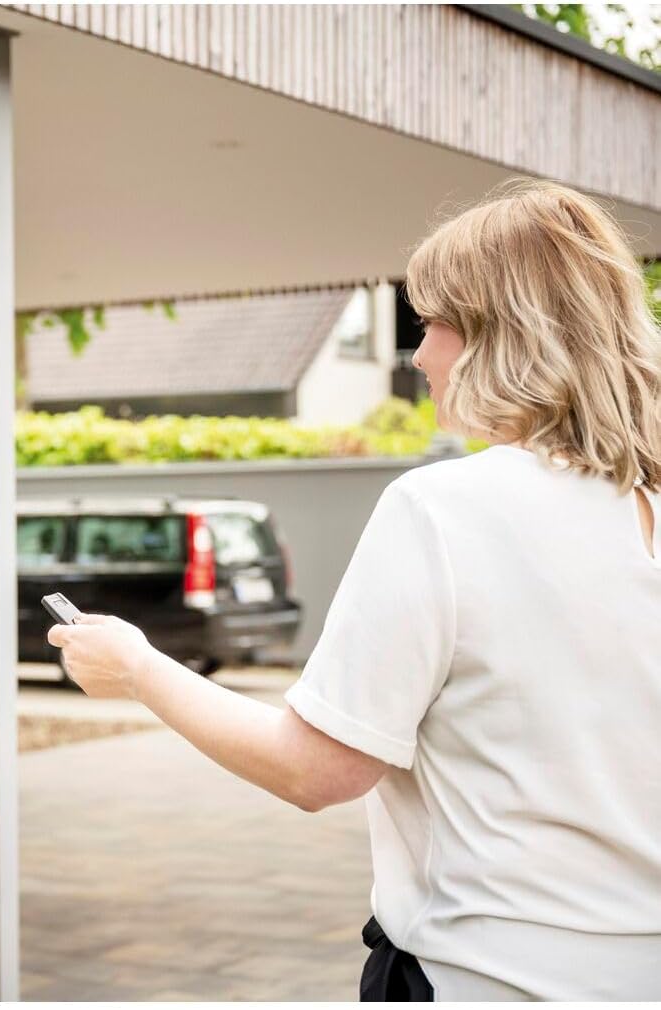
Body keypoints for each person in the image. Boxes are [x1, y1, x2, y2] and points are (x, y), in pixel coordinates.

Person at [48, 179, 661, 1001]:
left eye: (435, 323)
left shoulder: (444, 509)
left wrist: (137, 668)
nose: (419, 355)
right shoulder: (641, 506)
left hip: (484, 981)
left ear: (504, 336)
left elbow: (316, 771)